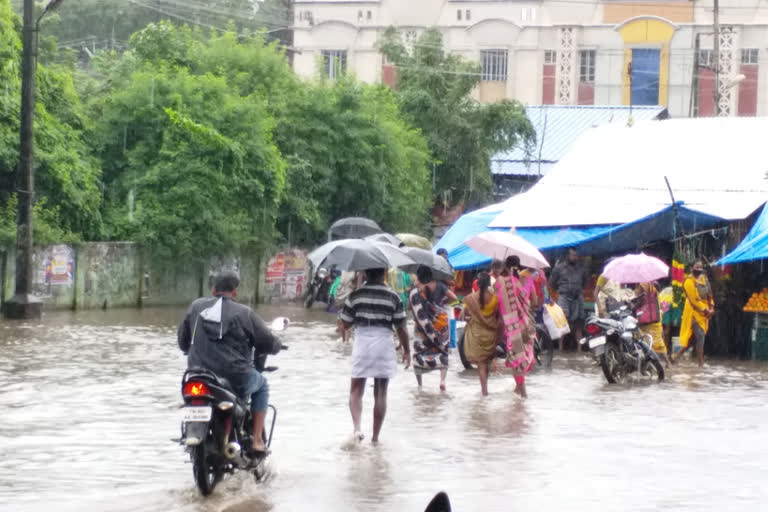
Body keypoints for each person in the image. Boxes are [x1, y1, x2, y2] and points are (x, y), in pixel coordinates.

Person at [177, 271, 281, 456]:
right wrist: (277, 344)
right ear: (235, 292)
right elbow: (267, 342)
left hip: (197, 375)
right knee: (262, 385)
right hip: (236, 377)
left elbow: (183, 341)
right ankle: (257, 441)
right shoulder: (245, 313)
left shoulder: (195, 307)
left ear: (213, 289)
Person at [340, 268, 410, 443]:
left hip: (362, 342)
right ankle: (375, 438)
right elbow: (401, 327)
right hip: (383, 343)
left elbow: (345, 324)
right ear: (384, 273)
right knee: (380, 392)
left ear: (365, 273)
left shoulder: (355, 295)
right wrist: (407, 350)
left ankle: (357, 429)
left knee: (356, 389)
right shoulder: (393, 296)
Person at [409, 266, 457, 391]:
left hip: (422, 327)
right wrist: (441, 302)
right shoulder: (440, 285)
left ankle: (420, 384)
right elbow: (454, 298)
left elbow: (410, 307)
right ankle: (442, 381)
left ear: (419, 276)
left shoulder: (416, 290)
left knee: (419, 352)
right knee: (442, 351)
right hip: (439, 322)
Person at [495, 256, 535, 398]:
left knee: (516, 358)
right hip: (525, 324)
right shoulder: (517, 282)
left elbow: (499, 305)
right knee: (520, 356)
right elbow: (529, 302)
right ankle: (519, 390)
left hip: (513, 327)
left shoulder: (501, 282)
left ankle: (522, 391)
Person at [461, 272, 499, 396]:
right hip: (491, 334)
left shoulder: (471, 298)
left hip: (477, 334)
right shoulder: (495, 297)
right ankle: (486, 389)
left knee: (481, 364)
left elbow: (465, 315)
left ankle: (484, 391)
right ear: (489, 283)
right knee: (487, 361)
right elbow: (498, 314)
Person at [675, 260, 715, 367]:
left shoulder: (704, 279)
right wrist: (706, 311)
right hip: (693, 312)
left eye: (701, 267)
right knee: (700, 335)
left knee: (693, 339)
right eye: (697, 267)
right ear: (691, 268)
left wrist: (712, 307)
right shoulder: (688, 281)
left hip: (705, 311)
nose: (699, 270)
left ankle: (675, 357)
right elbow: (694, 301)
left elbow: (710, 294)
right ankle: (701, 365)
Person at [550, 247, 588, 350]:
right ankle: (560, 348)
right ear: (567, 256)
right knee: (562, 323)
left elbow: (585, 282)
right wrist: (561, 291)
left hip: (577, 297)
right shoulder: (559, 268)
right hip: (564, 297)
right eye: (573, 255)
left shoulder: (581, 268)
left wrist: (578, 290)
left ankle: (579, 349)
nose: (575, 257)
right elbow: (552, 283)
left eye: (576, 255)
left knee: (579, 323)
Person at [635, 282, 671, 367]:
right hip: (656, 318)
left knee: (644, 342)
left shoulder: (642, 286)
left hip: (645, 318)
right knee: (659, 342)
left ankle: (648, 364)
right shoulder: (653, 287)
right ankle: (667, 363)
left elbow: (640, 301)